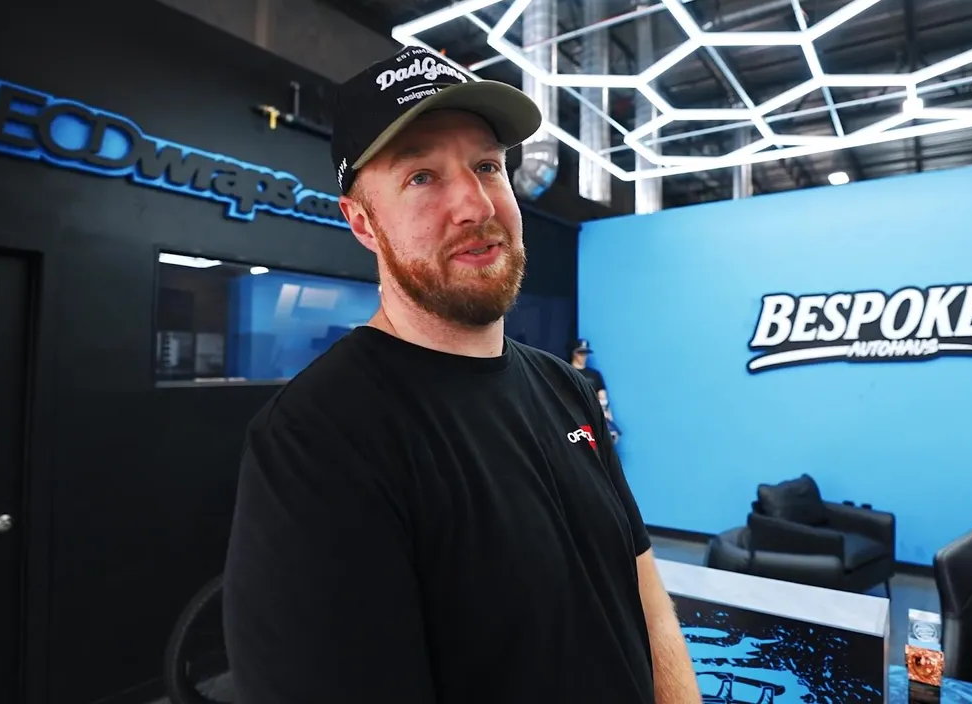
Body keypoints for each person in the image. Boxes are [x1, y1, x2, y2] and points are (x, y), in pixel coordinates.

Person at [222, 45, 700, 704]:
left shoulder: (566, 389)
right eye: (422, 176)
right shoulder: (316, 440)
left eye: (487, 166)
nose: (476, 205)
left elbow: (641, 588)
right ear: (362, 223)